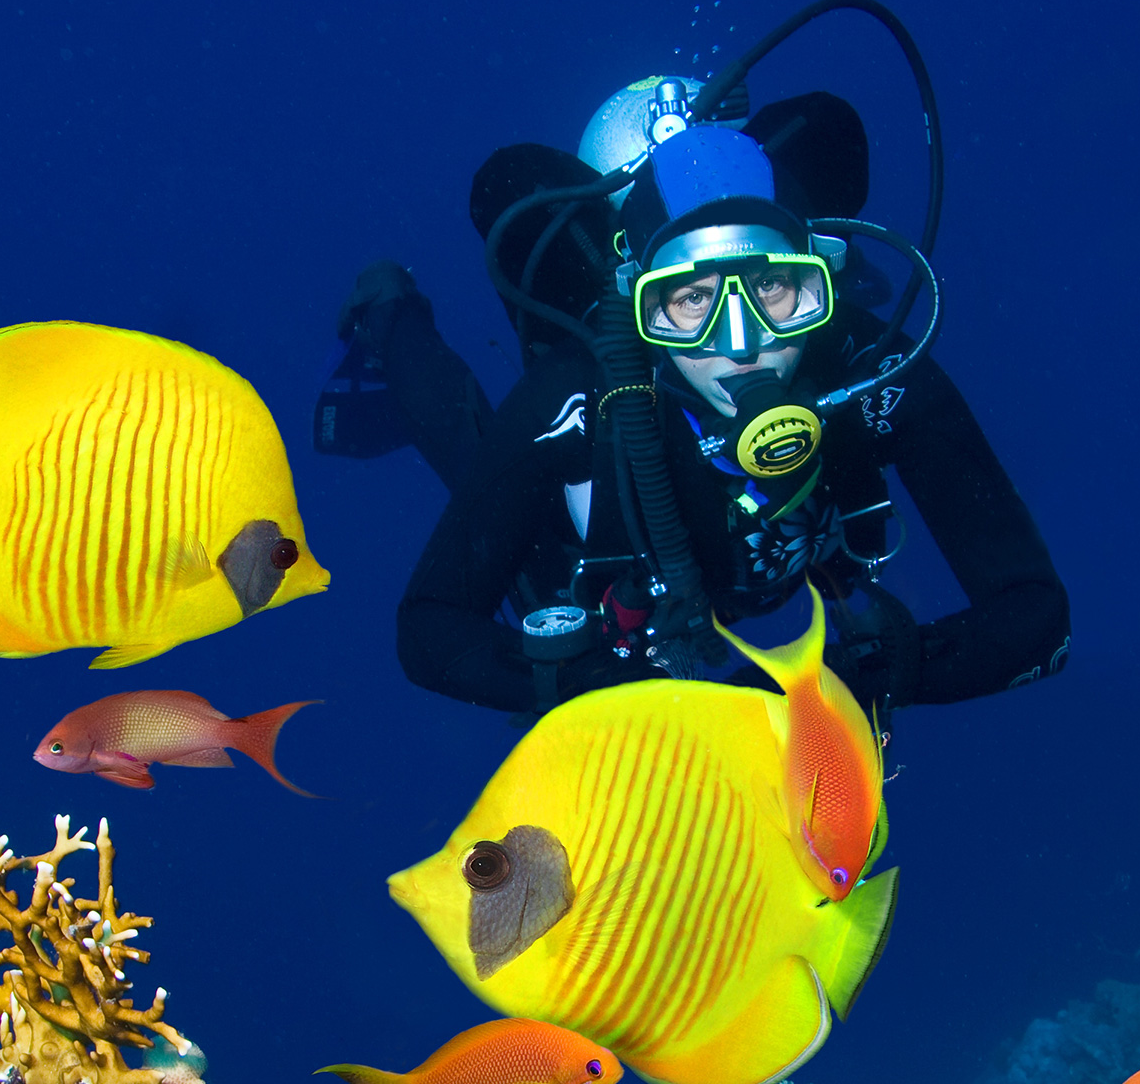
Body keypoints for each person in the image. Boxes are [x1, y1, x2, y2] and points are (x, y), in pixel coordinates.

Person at [316, 76, 1070, 721]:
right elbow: (429, 628)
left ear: (818, 283)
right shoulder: (583, 394)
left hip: (784, 599)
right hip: (607, 583)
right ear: (639, 308)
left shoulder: (872, 368)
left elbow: (1035, 615)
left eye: (773, 287)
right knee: (463, 434)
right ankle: (390, 310)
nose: (739, 342)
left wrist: (857, 680)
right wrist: (601, 688)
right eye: (689, 301)